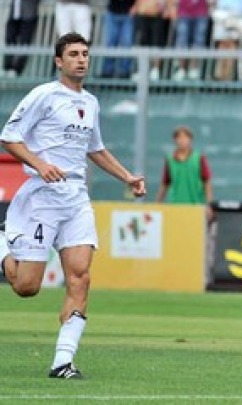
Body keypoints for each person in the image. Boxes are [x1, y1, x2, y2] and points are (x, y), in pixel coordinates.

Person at [0, 33, 147, 379]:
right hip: (42, 197)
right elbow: (8, 137)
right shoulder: (44, 95)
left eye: (84, 54)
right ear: (58, 61)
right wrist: (40, 165)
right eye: (73, 54)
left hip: (76, 198)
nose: (81, 59)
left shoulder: (91, 103)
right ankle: (4, 242)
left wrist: (126, 176)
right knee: (26, 287)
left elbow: (95, 149)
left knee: (80, 277)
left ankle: (62, 362)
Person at [155, 126, 214, 223]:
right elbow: (165, 184)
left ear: (190, 140)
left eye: (185, 137)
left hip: (196, 207)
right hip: (175, 207)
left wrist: (209, 205)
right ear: (175, 140)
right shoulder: (170, 160)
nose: (182, 140)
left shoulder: (199, 158)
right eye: (179, 137)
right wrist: (157, 205)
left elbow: (207, 183)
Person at [211, 0, 242, 81]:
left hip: (237, 19)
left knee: (232, 45)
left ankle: (227, 76)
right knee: (222, 44)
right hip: (222, 19)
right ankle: (219, 74)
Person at [131, 0, 173, 81]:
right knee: (143, 42)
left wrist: (168, 8)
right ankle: (142, 70)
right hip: (142, 12)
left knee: (157, 43)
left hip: (158, 14)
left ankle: (155, 70)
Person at [169, 0, 211, 81]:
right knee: (182, 40)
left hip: (201, 11)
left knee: (199, 41)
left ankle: (194, 69)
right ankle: (181, 69)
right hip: (183, 11)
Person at [2, 0, 41, 78]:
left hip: (29, 14)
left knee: (25, 42)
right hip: (14, 13)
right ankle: (7, 67)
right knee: (9, 39)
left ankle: (17, 69)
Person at [101, 0, 135, 79]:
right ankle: (107, 71)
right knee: (110, 43)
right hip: (112, 12)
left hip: (128, 13)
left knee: (127, 44)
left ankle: (125, 72)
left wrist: (135, 6)